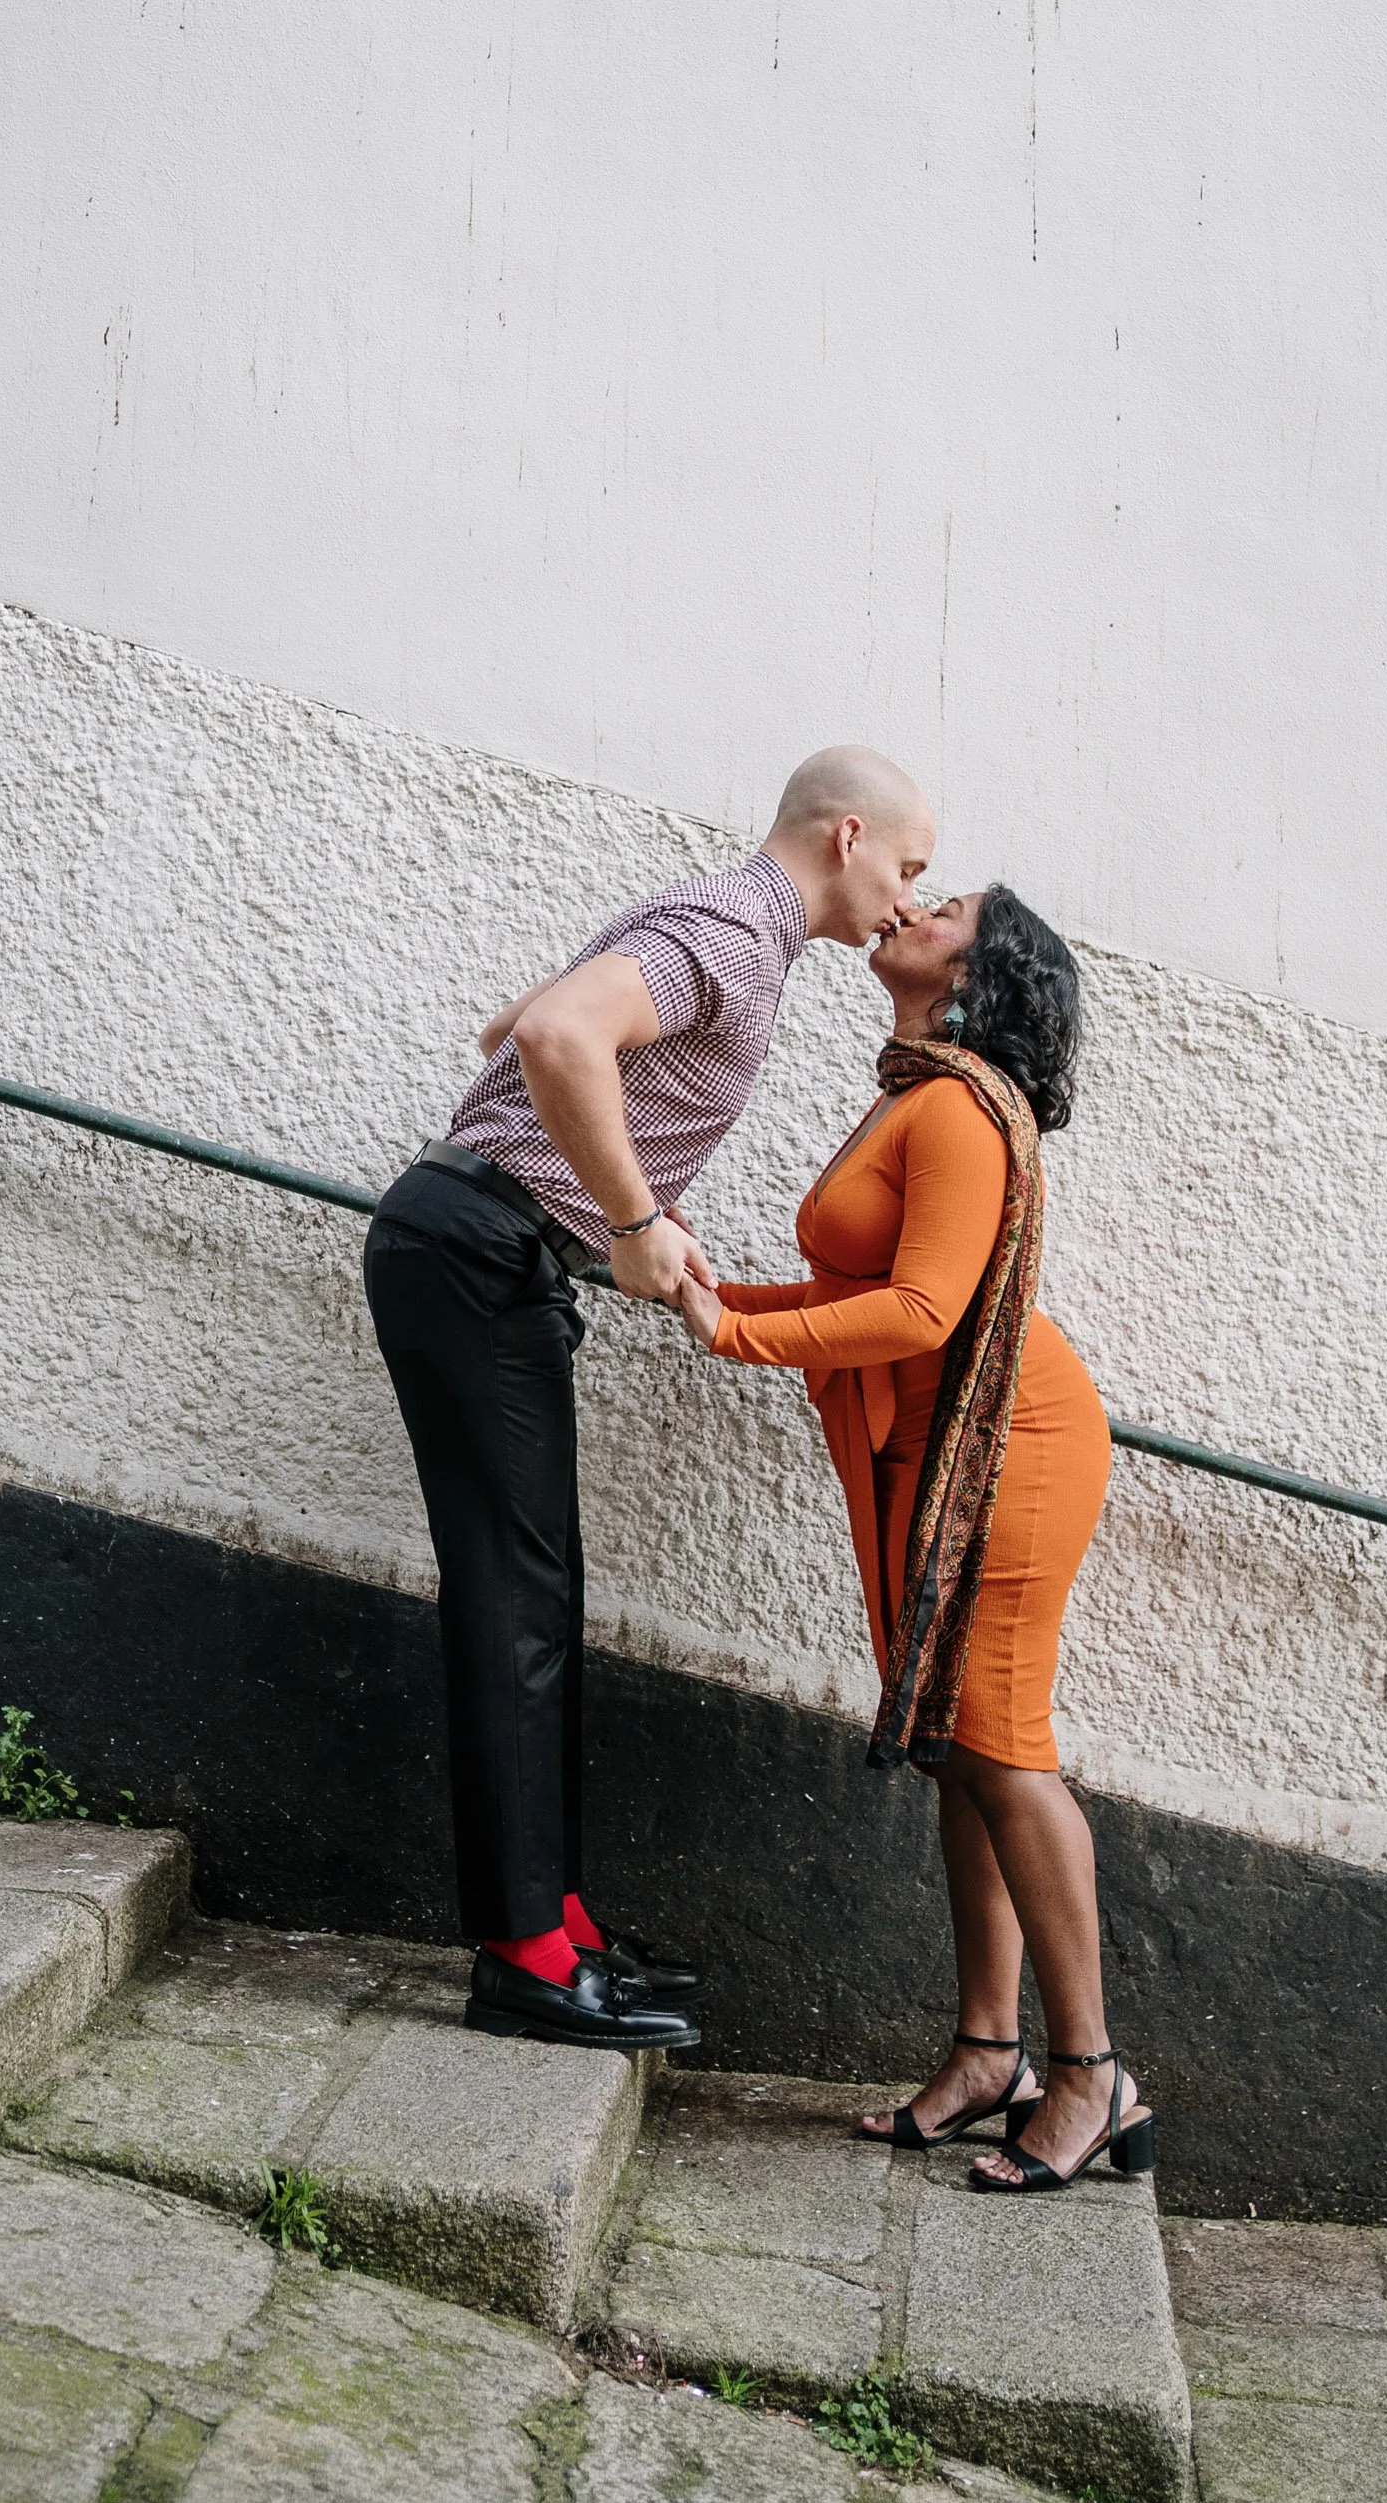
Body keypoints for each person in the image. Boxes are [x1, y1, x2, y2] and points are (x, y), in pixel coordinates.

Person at [364, 747, 938, 2052]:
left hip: (487, 1247)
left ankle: (554, 1926)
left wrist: (636, 1211)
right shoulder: (738, 929)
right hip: (472, 1248)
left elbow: (518, 1025)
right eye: (909, 867)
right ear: (849, 834)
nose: (909, 899)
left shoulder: (716, 922)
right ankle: (523, 1957)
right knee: (518, 1600)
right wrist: (626, 1214)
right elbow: (558, 1036)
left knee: (540, 1595)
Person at [675, 882, 1152, 2190]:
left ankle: (1093, 2073)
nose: (913, 901)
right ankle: (988, 2049)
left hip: (1012, 1454)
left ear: (977, 970)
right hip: (940, 1451)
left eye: (948, 905)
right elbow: (861, 1287)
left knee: (1008, 1750)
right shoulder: (920, 1087)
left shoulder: (954, 1104)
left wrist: (738, 1331)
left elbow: (924, 1312)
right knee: (962, 1751)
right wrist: (727, 1294)